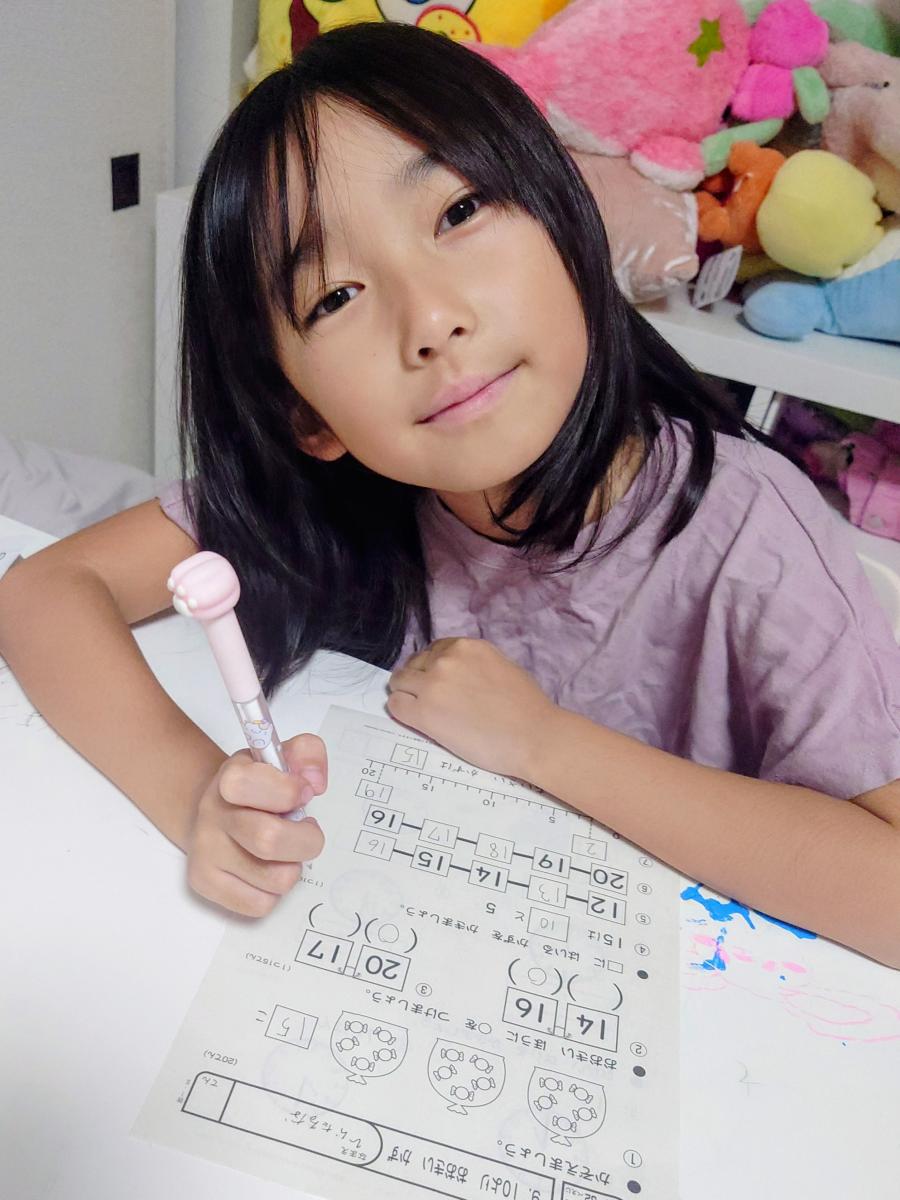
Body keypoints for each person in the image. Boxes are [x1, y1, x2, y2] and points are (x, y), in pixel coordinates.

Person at [2, 23, 899, 965]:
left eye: (459, 212)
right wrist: (195, 797)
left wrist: (544, 743)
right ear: (308, 417)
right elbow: (43, 591)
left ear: (569, 221)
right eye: (334, 298)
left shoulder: (751, 528)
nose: (430, 319)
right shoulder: (334, 496)